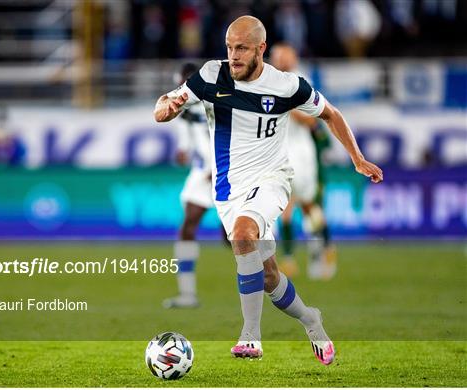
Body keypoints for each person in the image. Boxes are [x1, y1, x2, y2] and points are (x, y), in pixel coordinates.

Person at [154, 15, 383, 365]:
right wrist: (165, 109)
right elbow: (167, 102)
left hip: (272, 179)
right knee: (269, 276)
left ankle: (250, 336)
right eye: (230, 47)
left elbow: (332, 114)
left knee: (244, 236)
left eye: (242, 48)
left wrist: (358, 158)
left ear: (261, 48)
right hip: (228, 189)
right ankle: (311, 319)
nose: (234, 55)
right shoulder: (211, 75)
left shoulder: (287, 86)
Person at [269, 43, 336, 280]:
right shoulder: (268, 81)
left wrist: (287, 107)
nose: (281, 61)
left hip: (301, 153)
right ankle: (288, 259)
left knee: (307, 205)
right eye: (278, 57)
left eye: (285, 57)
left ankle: (324, 246)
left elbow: (312, 122)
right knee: (283, 207)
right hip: (279, 152)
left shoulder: (302, 82)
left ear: (294, 58)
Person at [163, 63, 213, 309]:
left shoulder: (218, 102)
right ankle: (187, 295)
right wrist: (182, 154)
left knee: (235, 238)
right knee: (187, 227)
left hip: (228, 172)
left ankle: (267, 282)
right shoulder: (183, 111)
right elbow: (187, 146)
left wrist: (219, 169)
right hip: (203, 173)